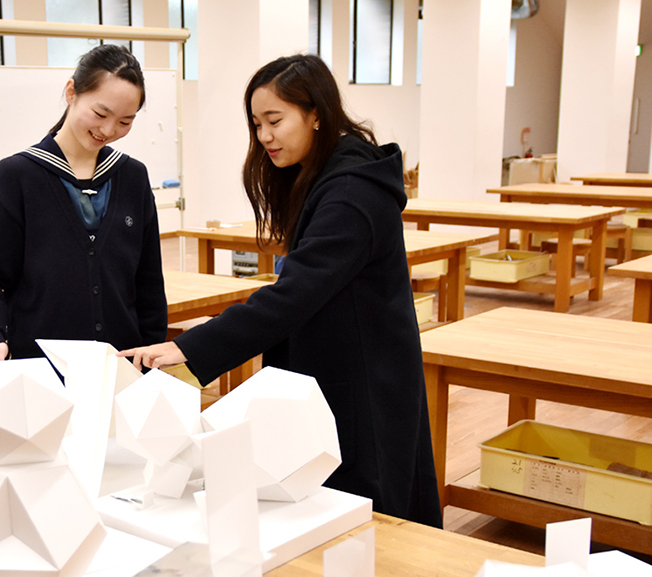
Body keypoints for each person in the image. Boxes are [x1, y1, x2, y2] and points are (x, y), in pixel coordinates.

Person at [119, 54, 441, 526]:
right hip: (337, 364)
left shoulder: (353, 193)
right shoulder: (327, 175)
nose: (264, 136)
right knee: (325, 509)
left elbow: (294, 294)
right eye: (256, 124)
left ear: (316, 114)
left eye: (275, 120)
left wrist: (190, 347)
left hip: (363, 378)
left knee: (365, 514)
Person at [0, 44, 168, 363]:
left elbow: (149, 281)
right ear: (71, 92)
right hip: (40, 367)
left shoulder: (132, 177)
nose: (108, 130)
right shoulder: (18, 176)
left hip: (120, 366)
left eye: (125, 122)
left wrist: (152, 352)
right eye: (100, 114)